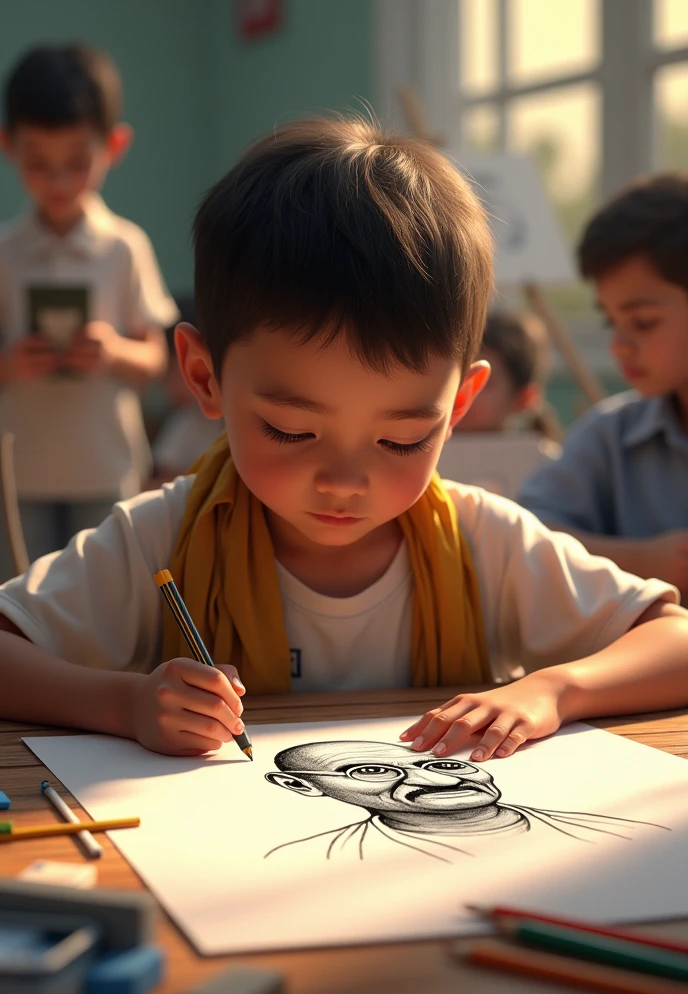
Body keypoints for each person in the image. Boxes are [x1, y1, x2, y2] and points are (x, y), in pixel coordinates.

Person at [0, 118, 687, 767]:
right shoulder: (162, 540)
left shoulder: (486, 541)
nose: (343, 480)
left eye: (402, 439)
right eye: (292, 430)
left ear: (458, 408)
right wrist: (123, 701)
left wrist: (555, 690)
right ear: (205, 377)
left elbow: (675, 637)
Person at [0, 44, 177, 575]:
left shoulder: (125, 246)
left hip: (106, 466)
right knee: (20, 605)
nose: (57, 181)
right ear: (8, 147)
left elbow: (157, 360)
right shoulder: (5, 252)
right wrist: (10, 366)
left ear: (114, 146)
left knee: (103, 600)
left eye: (76, 163)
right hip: (20, 472)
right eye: (38, 163)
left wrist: (114, 351)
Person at [518, 174, 688, 600]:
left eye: (643, 322)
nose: (619, 344)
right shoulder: (612, 435)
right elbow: (522, 535)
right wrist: (644, 561)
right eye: (611, 321)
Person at [264, 740, 665, 863]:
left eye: (445, 762)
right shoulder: (316, 861)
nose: (437, 778)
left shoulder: (632, 834)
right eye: (370, 771)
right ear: (301, 786)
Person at [148, 298, 223, 487]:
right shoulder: (187, 420)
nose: (166, 388)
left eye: (168, 372)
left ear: (195, 364)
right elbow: (165, 478)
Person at [453, 309, 561, 441]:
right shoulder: (424, 457)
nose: (460, 391)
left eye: (482, 381)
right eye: (455, 377)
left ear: (524, 398)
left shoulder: (542, 459)